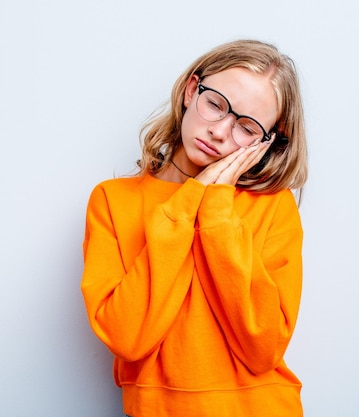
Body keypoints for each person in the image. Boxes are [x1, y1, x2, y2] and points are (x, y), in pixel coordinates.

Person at [81, 39, 308, 417]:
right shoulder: (112, 200)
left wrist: (216, 206)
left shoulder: (272, 206)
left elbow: (263, 349)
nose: (220, 131)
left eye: (247, 127)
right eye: (216, 104)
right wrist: (192, 198)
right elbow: (128, 337)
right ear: (191, 90)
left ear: (267, 142)